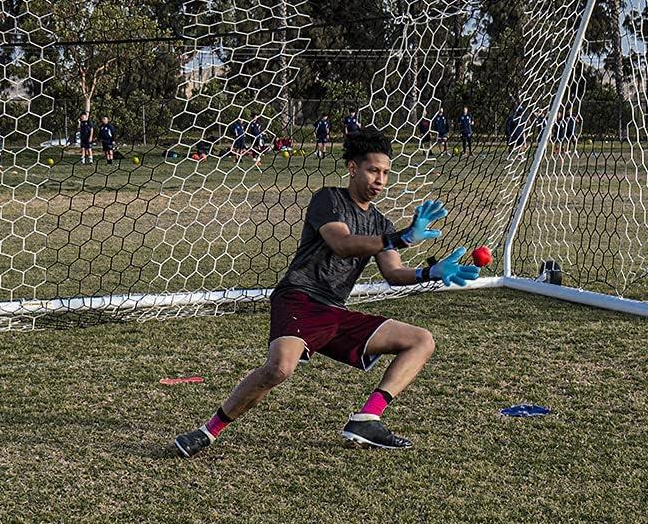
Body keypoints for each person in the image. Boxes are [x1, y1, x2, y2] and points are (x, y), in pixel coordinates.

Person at [173, 128, 479, 457]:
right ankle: (207, 431)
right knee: (279, 369)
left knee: (421, 340)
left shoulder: (381, 224)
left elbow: (393, 272)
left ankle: (367, 419)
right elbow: (342, 244)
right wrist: (400, 238)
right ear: (353, 168)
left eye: (386, 173)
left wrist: (428, 272)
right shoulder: (329, 200)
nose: (380, 180)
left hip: (335, 311)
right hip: (299, 298)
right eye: (373, 170)